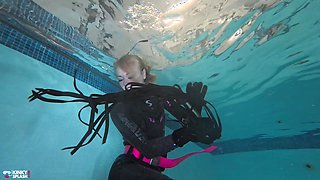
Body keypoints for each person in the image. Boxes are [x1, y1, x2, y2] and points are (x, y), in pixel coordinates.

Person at [108, 55, 220, 180]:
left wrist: (195, 113)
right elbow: (148, 149)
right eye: (120, 79)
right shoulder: (119, 111)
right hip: (128, 170)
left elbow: (196, 130)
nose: (125, 84)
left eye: (131, 77)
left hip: (152, 169)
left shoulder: (160, 97)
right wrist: (183, 135)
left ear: (143, 73)